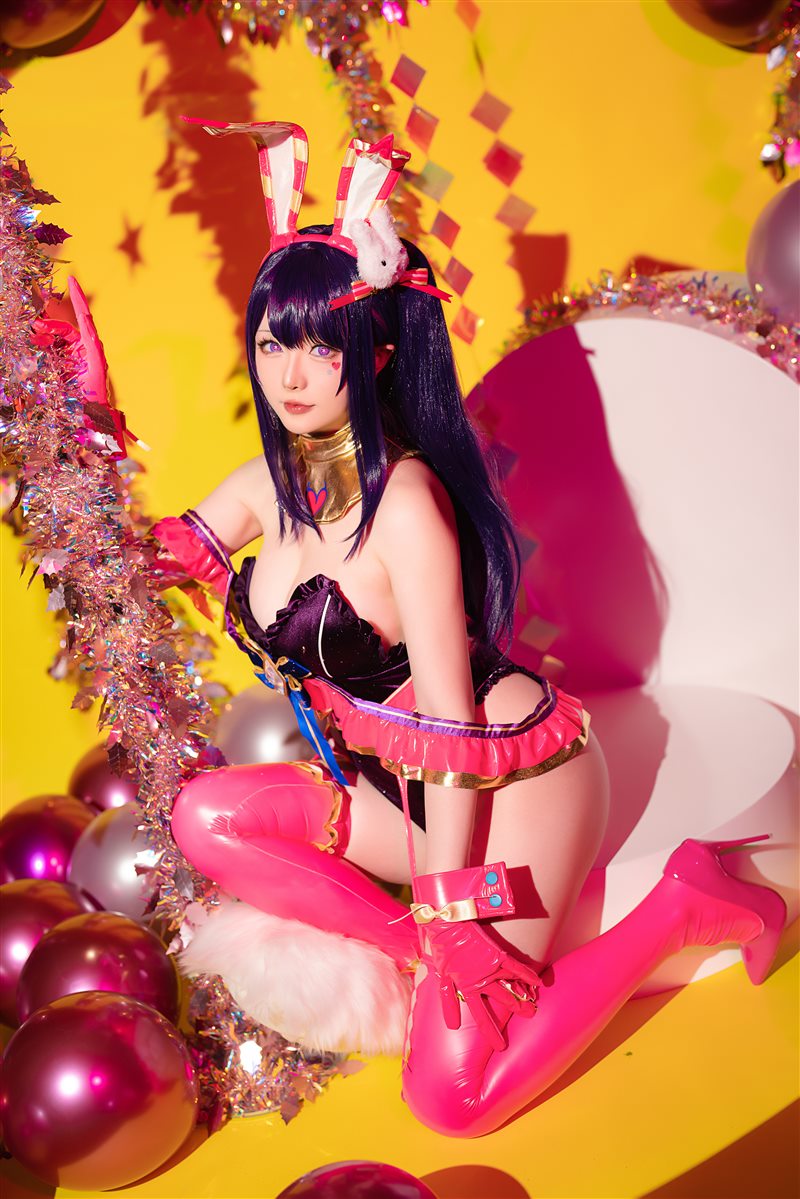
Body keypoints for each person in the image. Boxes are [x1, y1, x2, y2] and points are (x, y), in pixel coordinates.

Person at [155, 123, 786, 1137]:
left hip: (506, 784)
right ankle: (430, 949)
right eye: (274, 341)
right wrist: (77, 424)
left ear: (374, 352)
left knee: (452, 1100)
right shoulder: (264, 484)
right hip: (394, 792)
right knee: (206, 817)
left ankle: (683, 904)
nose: (292, 373)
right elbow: (148, 562)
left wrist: (452, 906)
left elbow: (449, 721)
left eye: (321, 345)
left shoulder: (403, 502)